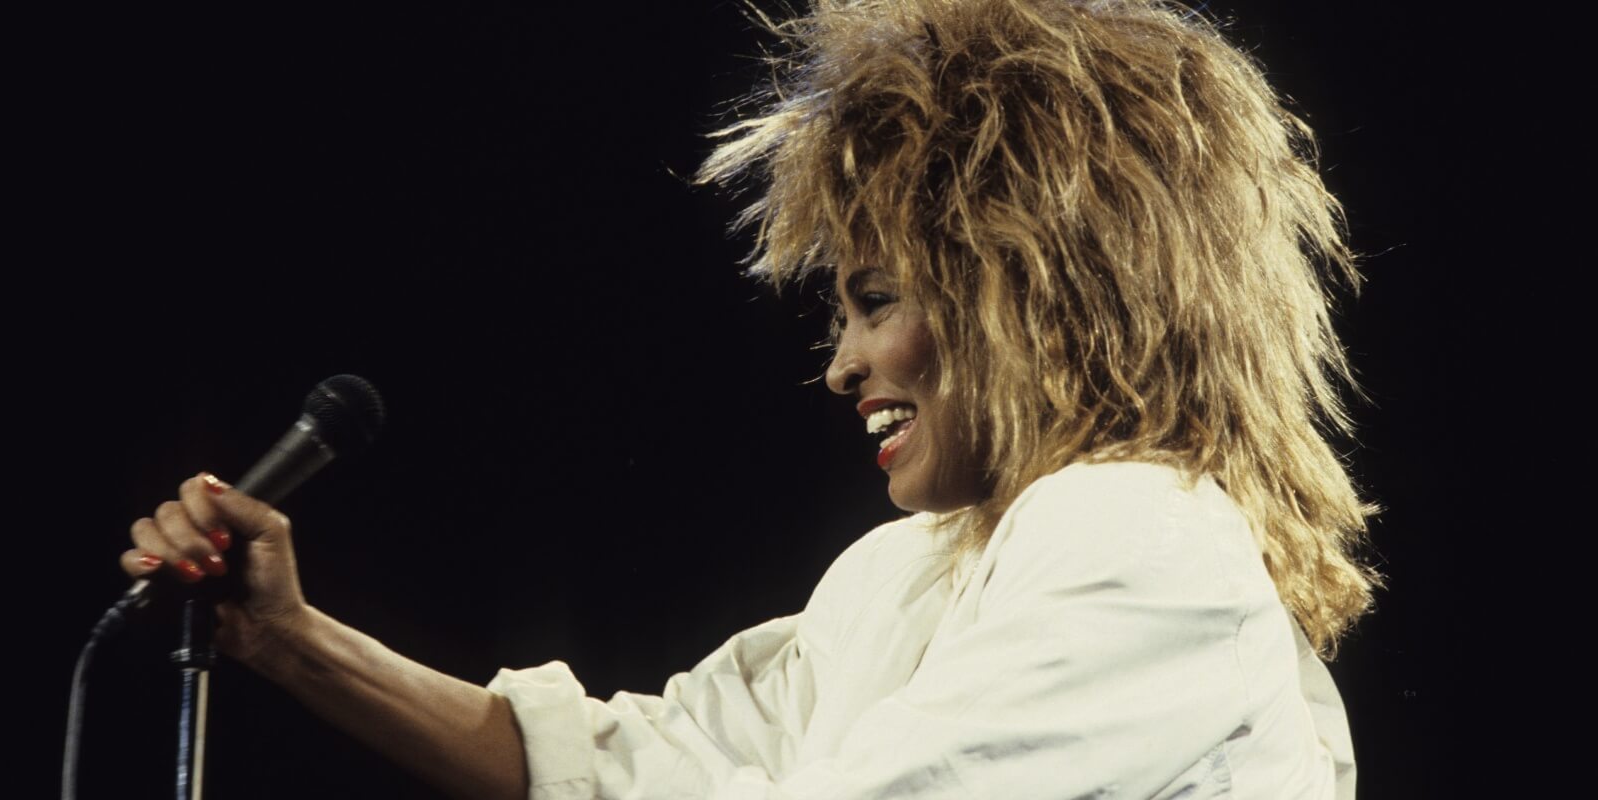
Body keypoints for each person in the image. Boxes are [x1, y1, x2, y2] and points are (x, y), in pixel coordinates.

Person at [120, 1, 1380, 798]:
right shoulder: (903, 575)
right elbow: (629, 764)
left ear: (1033, 286)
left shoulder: (1139, 532)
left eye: (877, 298)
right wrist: (290, 639)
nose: (839, 364)